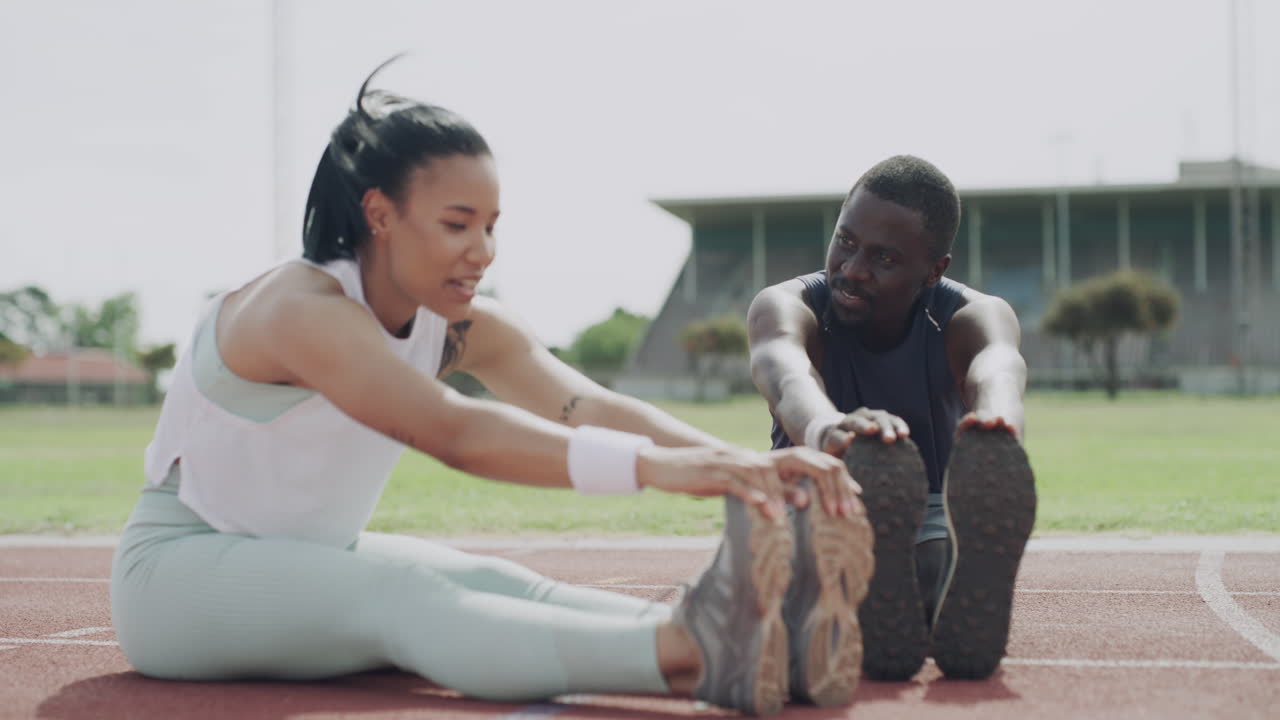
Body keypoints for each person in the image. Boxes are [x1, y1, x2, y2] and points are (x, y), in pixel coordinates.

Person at [108, 59, 872, 718]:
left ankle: (755, 638)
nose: (482, 251)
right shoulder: (300, 313)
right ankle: (693, 652)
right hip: (179, 577)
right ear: (380, 213)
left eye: (492, 226)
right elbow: (456, 432)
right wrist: (675, 474)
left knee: (492, 580)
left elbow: (592, 406)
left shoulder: (457, 322)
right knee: (404, 597)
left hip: (301, 556)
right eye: (457, 224)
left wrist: (748, 466)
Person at [747, 154, 1036, 682]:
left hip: (925, 510)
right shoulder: (788, 304)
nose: (852, 269)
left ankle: (898, 588)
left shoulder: (971, 313)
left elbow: (998, 365)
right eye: (846, 241)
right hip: (813, 490)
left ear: (935, 269)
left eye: (883, 258)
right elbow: (783, 370)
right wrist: (827, 429)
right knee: (792, 571)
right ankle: (883, 590)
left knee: (929, 553)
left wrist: (999, 423)